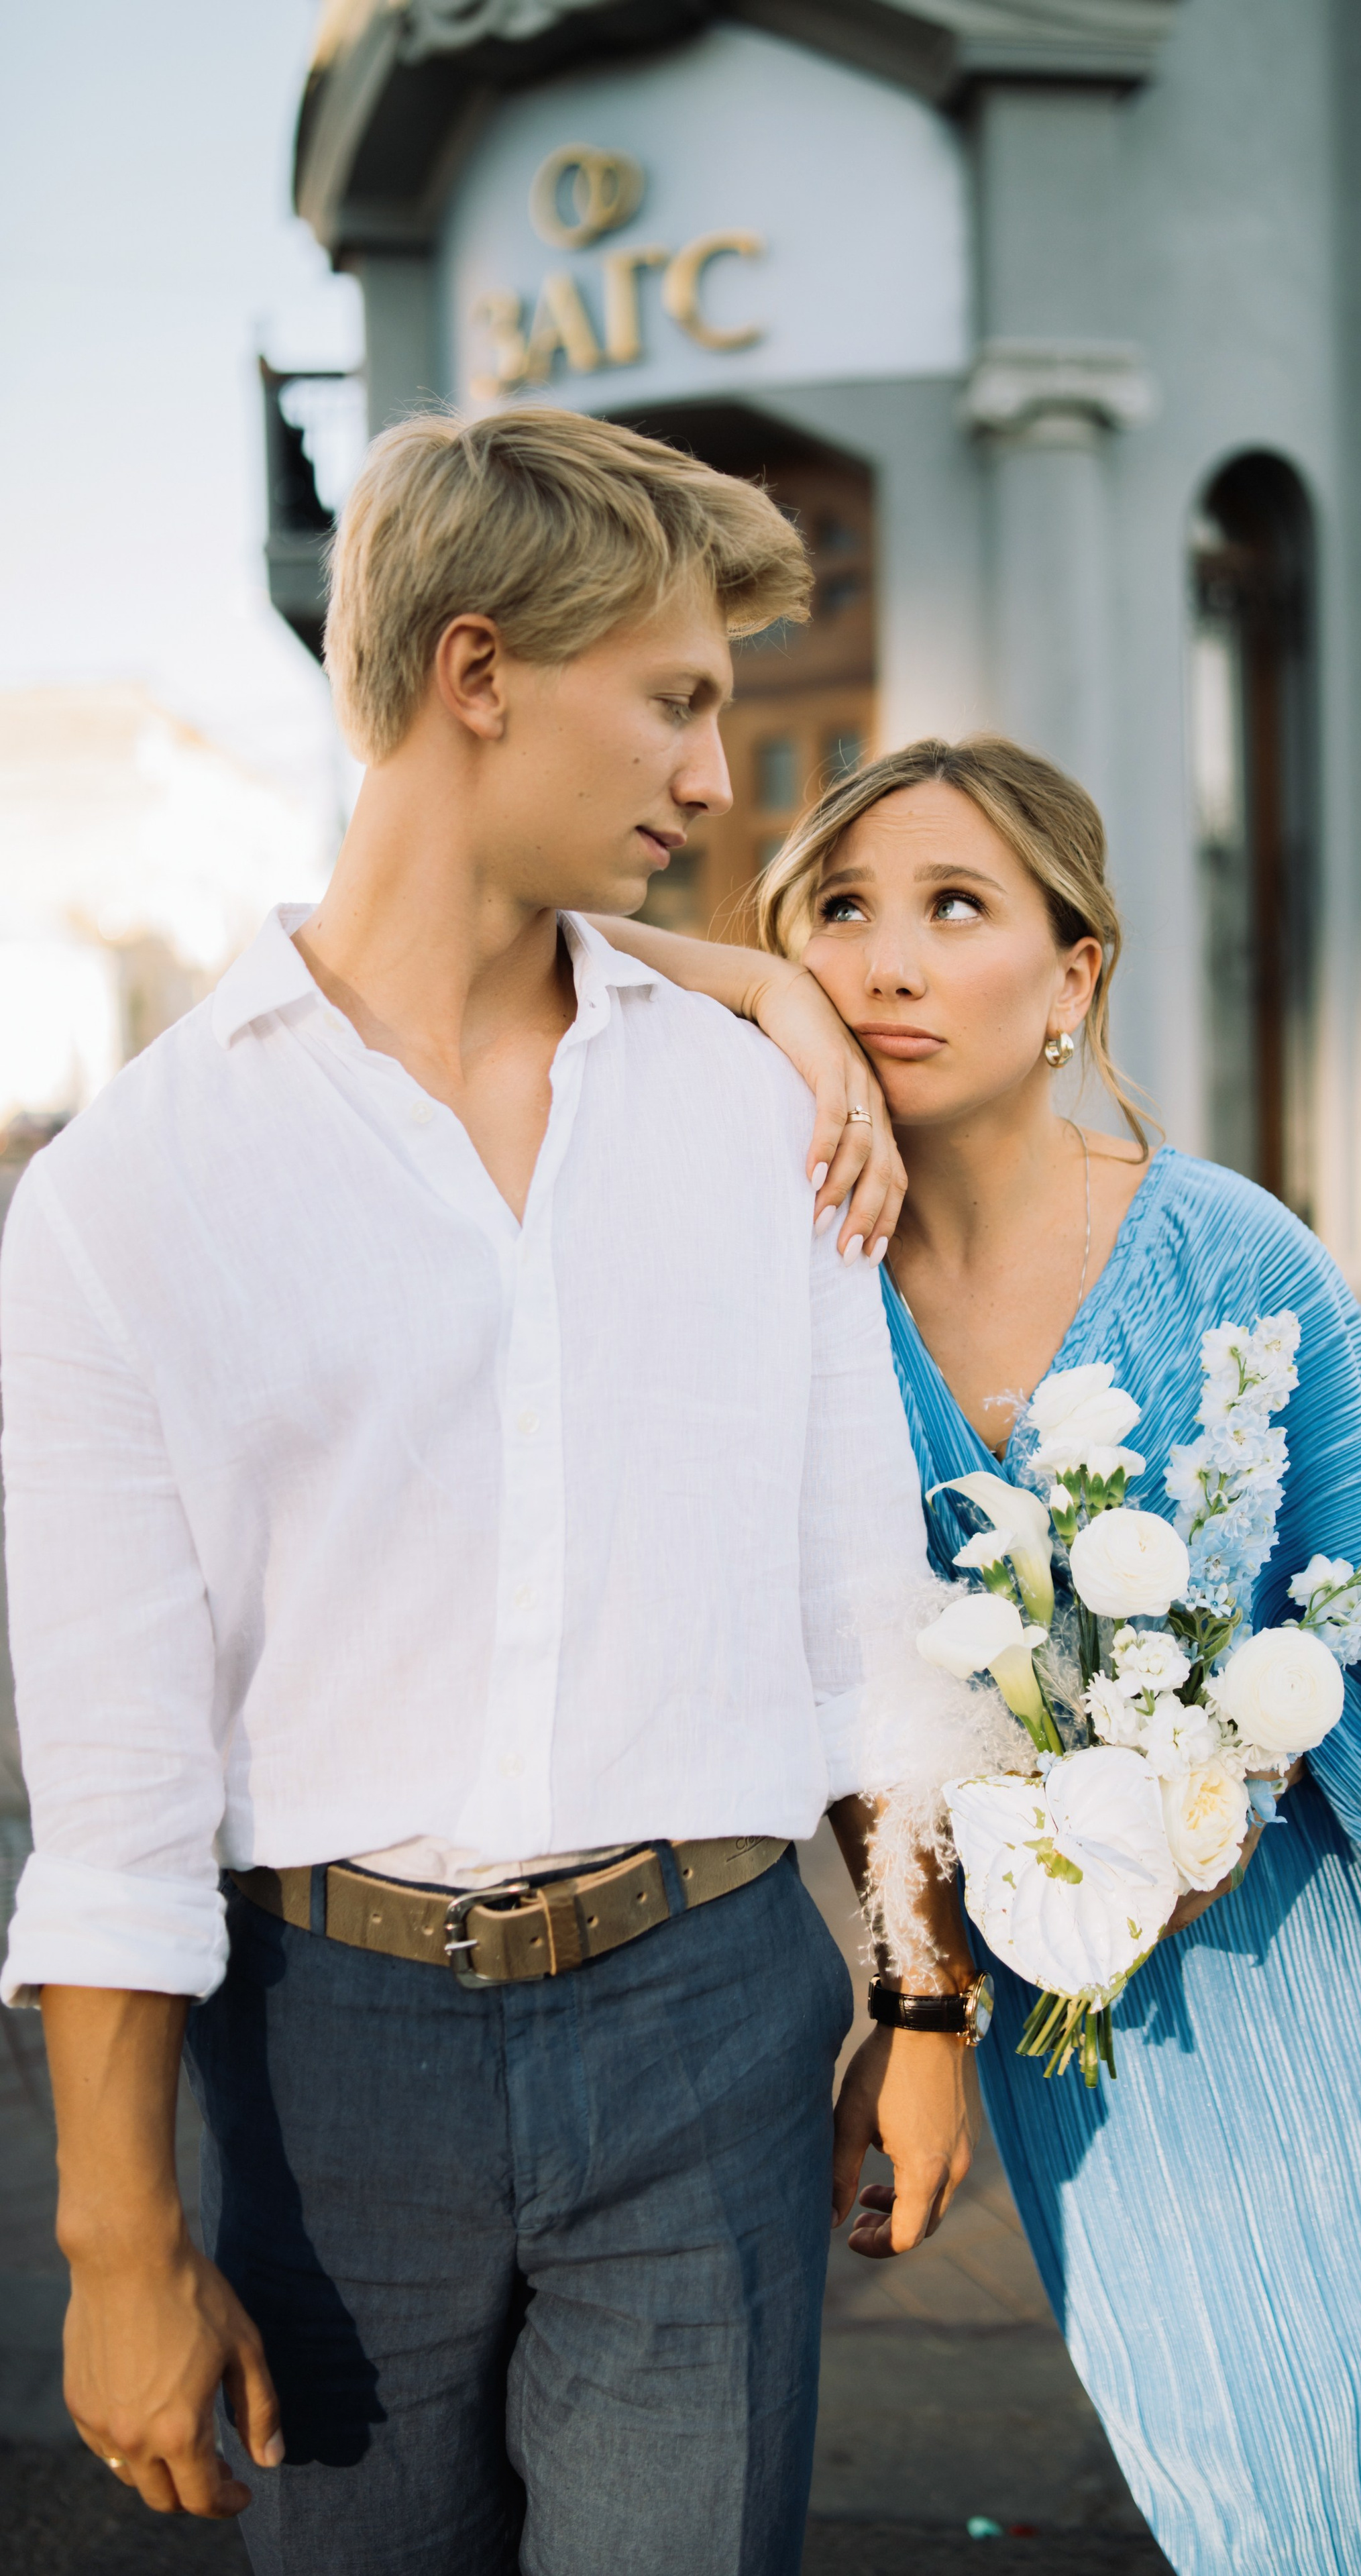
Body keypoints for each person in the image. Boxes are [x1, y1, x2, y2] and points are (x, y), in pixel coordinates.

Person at [0, 413, 989, 2576]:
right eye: (679, 699)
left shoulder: (759, 1109)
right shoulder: (120, 1202)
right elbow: (116, 1782)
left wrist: (921, 1998)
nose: (719, 782)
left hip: (712, 2014)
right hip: (327, 2066)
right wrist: (120, 2239)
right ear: (476, 675)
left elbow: (867, 1599)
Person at [600, 733, 1361, 2576]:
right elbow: (534, 933)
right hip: (1057, 1987)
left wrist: (1215, 1792)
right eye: (842, 919)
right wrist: (930, 1988)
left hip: (1330, 1944)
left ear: (1074, 975)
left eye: (959, 909)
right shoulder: (806, 1289)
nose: (889, 965)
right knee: (1199, 2414)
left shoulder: (1229, 1255)